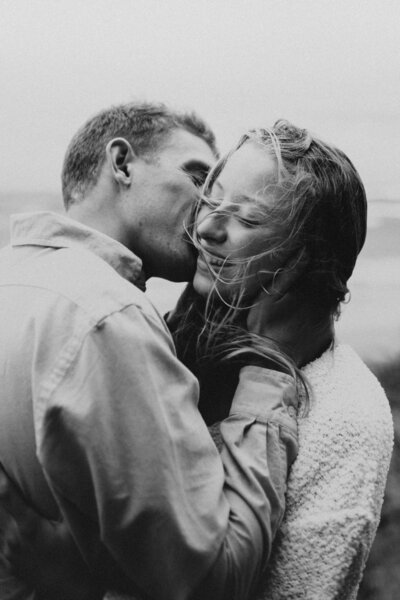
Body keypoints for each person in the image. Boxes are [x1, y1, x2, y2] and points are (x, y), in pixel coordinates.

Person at [1, 116, 393, 599]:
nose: (204, 227)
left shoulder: (347, 413)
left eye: (247, 218)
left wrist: (74, 580)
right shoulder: (162, 336)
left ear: (307, 258)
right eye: (210, 197)